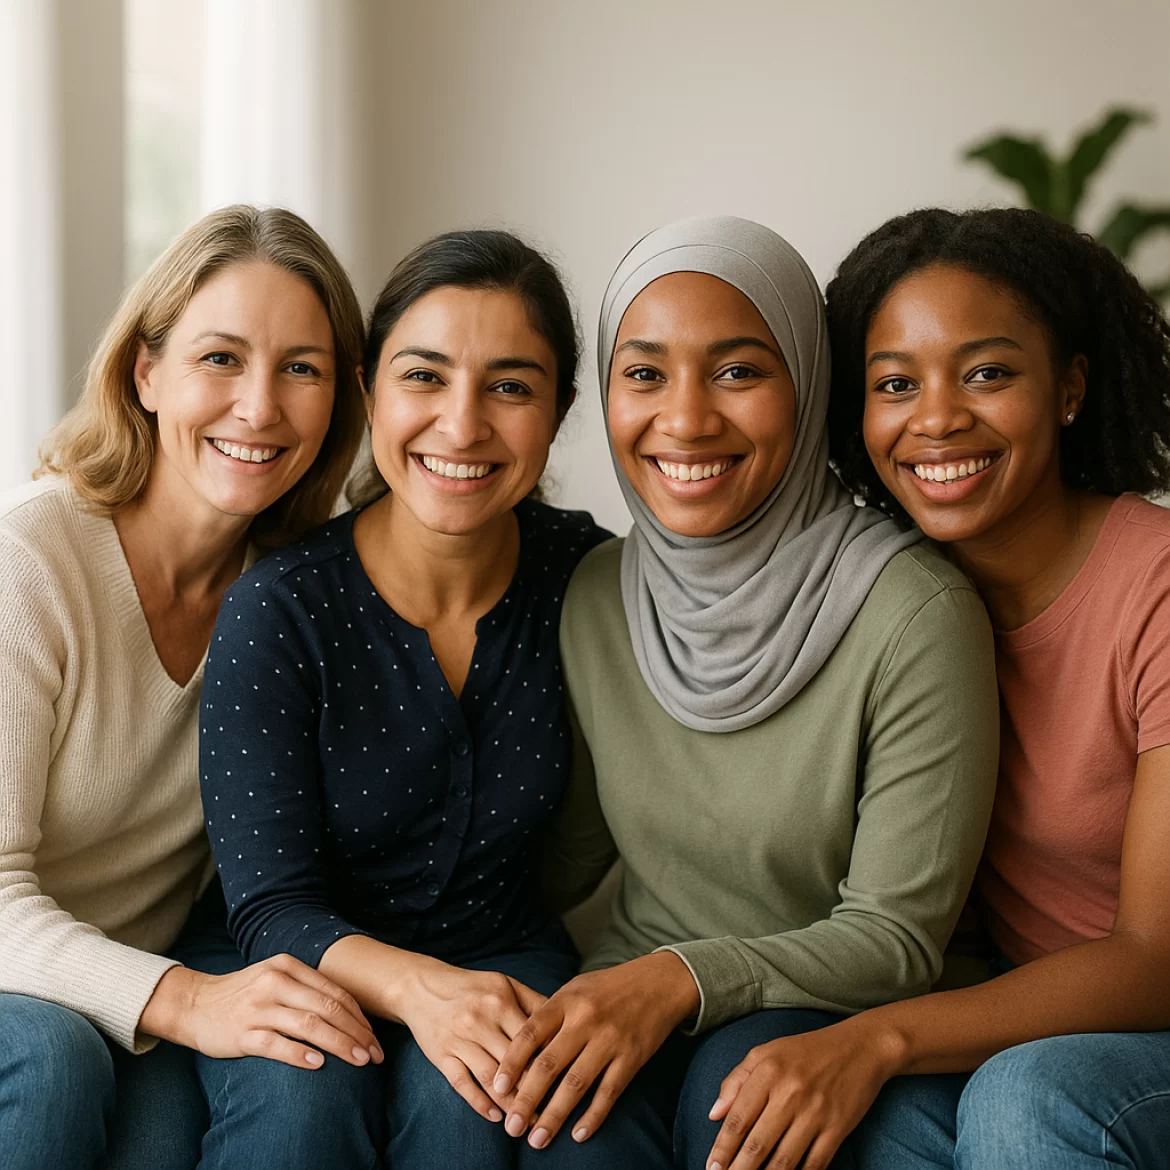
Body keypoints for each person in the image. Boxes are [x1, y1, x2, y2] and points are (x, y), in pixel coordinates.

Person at [488, 215, 1001, 1170]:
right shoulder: (598, 595)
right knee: (556, 1134)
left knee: (740, 1106)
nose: (684, 420)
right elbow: (563, 861)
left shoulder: (914, 611)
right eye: (644, 373)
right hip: (635, 993)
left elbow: (895, 939)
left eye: (738, 372)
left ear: (810, 387)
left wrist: (681, 980)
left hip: (829, 1004)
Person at [708, 206, 1170, 1170]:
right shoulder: (895, 601)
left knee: (1022, 1094)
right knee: (839, 1123)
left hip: (1130, 1029)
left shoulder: (1155, 586)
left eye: (988, 372)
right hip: (1038, 1024)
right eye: (893, 383)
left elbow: (1154, 959)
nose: (937, 417)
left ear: (1070, 389)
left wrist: (882, 1038)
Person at [200, 230, 669, 1167]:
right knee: (301, 1116)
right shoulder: (280, 607)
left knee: (560, 1125)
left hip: (507, 952)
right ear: (369, 387)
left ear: (561, 411)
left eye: (510, 386)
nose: (462, 426)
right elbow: (270, 902)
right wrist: (422, 993)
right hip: (298, 959)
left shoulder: (587, 576)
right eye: (425, 377)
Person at [0, 204, 377, 1170]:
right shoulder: (33, 561)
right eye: (220, 358)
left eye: (303, 367)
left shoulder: (299, 596)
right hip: (42, 991)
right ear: (146, 372)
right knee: (50, 1060)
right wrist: (192, 1002)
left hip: (127, 991)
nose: (259, 406)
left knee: (185, 1122)